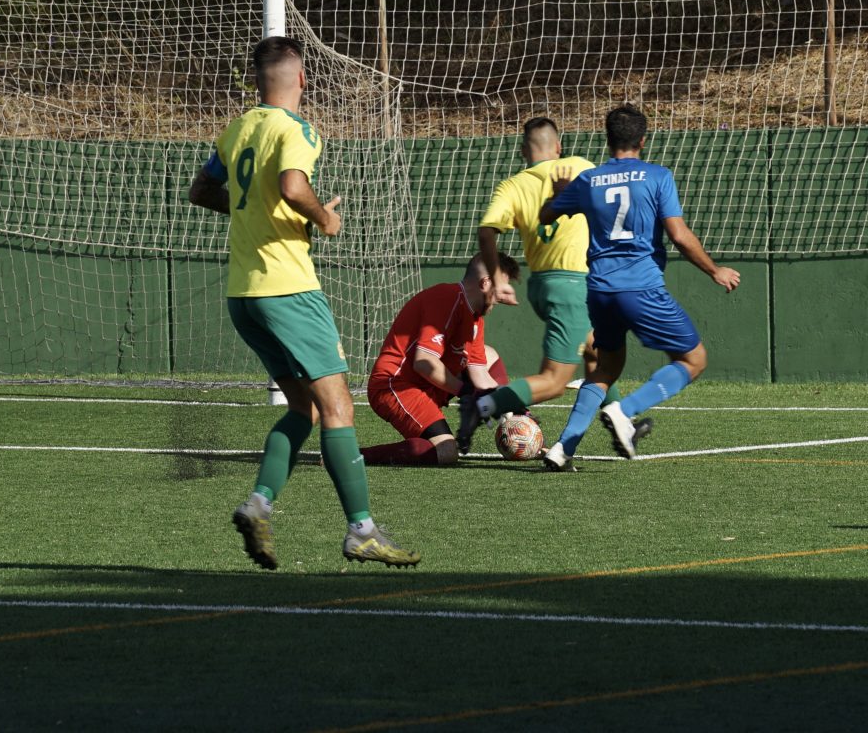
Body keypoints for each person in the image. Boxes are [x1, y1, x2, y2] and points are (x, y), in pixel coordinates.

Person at [188, 35, 419, 569]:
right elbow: (293, 186)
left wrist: (254, 212)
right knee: (338, 408)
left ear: (255, 81)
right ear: (303, 80)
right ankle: (361, 531)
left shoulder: (236, 129)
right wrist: (324, 217)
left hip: (244, 294)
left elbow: (201, 191)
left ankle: (258, 504)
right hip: (288, 288)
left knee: (304, 408)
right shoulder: (297, 129)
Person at [535, 104, 740, 471]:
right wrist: (715, 270)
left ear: (607, 139)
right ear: (643, 140)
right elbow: (679, 235)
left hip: (600, 290)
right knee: (694, 360)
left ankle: (562, 449)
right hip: (641, 288)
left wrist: (559, 193)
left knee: (605, 368)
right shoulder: (657, 176)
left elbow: (545, 216)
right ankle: (624, 411)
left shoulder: (588, 181)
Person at [459, 116, 599, 451]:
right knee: (554, 381)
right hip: (572, 283)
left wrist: (497, 278)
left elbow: (486, 232)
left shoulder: (512, 186)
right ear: (559, 146)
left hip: (540, 285)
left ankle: (618, 421)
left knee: (599, 351)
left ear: (524, 150)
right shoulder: (581, 167)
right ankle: (483, 404)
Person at [362, 253, 521, 467]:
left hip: (426, 386)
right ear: (485, 283)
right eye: (501, 289)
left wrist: (516, 413)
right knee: (446, 451)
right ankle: (352, 456)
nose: (502, 297)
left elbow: (480, 375)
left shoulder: (475, 318)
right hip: (395, 385)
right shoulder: (446, 299)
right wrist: (466, 392)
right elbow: (424, 362)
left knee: (488, 355)